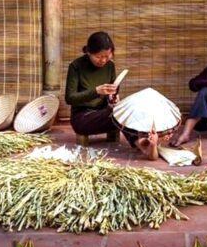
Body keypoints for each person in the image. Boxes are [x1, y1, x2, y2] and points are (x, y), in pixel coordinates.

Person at [65, 31, 159, 159]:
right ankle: (140, 142)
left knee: (125, 108)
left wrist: (113, 97)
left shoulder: (110, 66)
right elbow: (70, 98)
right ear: (89, 52)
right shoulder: (76, 66)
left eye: (107, 56)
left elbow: (113, 91)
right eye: (98, 56)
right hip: (83, 118)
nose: (103, 60)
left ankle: (145, 142)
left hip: (106, 114)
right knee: (117, 114)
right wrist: (96, 91)